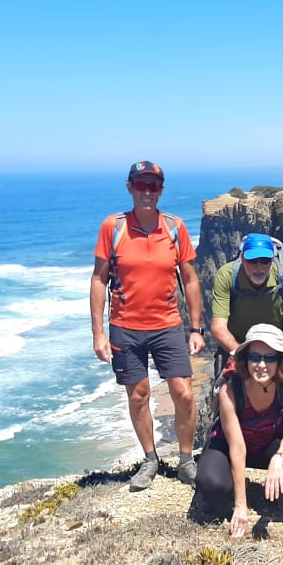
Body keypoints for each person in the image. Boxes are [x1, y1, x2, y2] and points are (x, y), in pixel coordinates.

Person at [90, 160, 205, 491]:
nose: (147, 192)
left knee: (183, 394)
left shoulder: (174, 227)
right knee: (138, 395)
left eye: (153, 186)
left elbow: (191, 279)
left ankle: (186, 461)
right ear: (130, 188)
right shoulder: (113, 228)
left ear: (161, 190)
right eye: (141, 185)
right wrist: (98, 332)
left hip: (168, 325)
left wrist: (195, 329)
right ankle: (150, 459)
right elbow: (99, 280)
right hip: (125, 327)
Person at [195, 324, 283, 539]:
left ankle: (277, 488)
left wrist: (278, 458)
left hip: (266, 443)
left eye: (270, 358)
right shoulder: (230, 389)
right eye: (255, 357)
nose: (262, 365)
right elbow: (237, 447)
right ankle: (230, 490)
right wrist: (241, 505)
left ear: (280, 360)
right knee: (211, 484)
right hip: (229, 445)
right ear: (245, 359)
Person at [210, 233, 283, 363]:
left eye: (265, 260)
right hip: (236, 345)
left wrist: (278, 353)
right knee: (227, 383)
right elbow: (218, 327)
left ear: (271, 261)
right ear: (242, 259)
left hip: (275, 347)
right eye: (252, 261)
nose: (258, 267)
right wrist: (242, 357)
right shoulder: (227, 277)